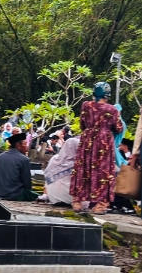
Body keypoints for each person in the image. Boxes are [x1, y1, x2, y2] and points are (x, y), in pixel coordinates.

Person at [70, 82, 124, 214]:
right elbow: (118, 128)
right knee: (103, 172)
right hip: (103, 144)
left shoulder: (85, 106)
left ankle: (77, 202)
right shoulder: (112, 110)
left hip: (87, 141)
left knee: (83, 169)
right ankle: (100, 205)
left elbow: (82, 124)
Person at [0, 133, 38, 201]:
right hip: (14, 195)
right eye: (25, 144)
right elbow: (27, 183)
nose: (27, 146)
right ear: (18, 145)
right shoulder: (24, 159)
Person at [43, 137, 79, 206]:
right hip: (71, 199)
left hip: (53, 197)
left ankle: (45, 195)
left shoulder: (54, 158)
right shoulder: (78, 163)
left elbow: (47, 178)